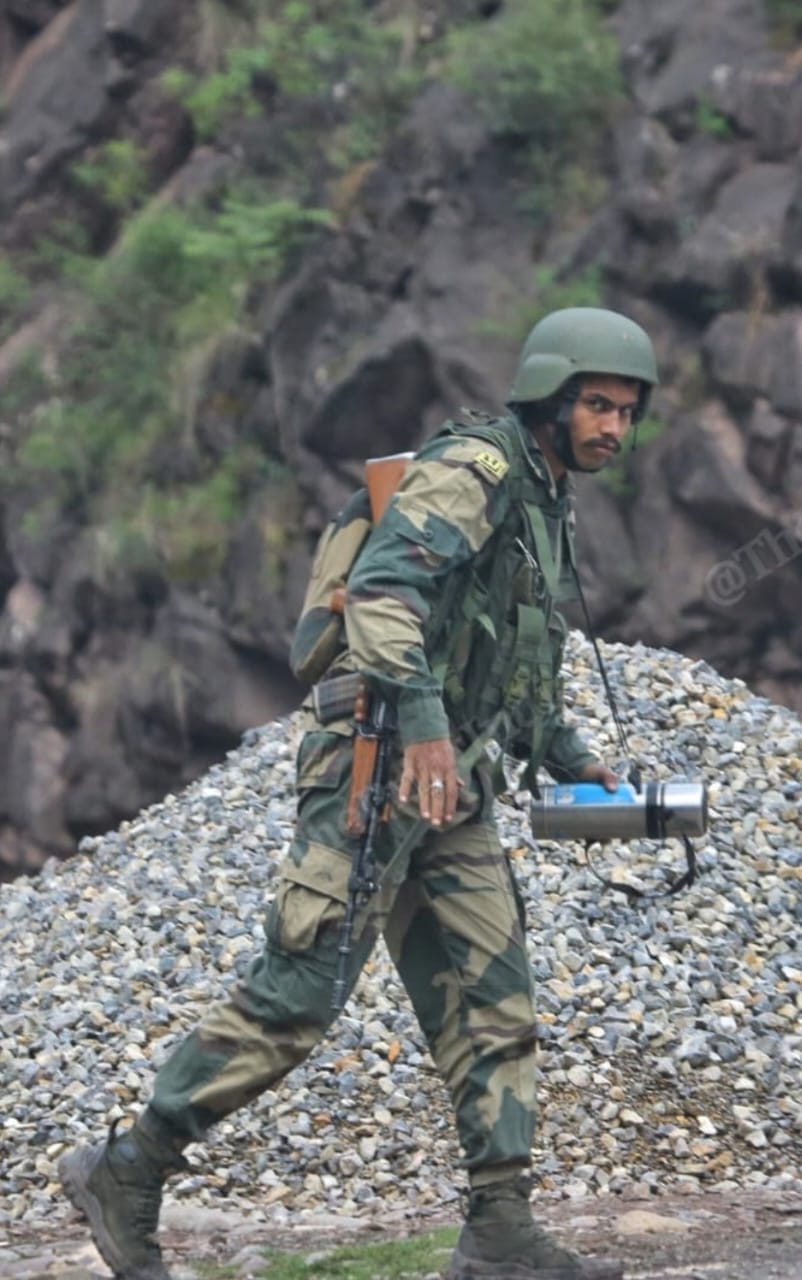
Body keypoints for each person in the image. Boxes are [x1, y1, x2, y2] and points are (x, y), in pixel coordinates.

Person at [60, 307, 659, 1280]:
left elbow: (516, 663)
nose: (613, 427)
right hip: (375, 766)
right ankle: (128, 1168)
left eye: (626, 412)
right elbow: (383, 591)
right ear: (549, 397)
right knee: (298, 994)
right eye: (596, 405)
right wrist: (420, 721)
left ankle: (500, 1229)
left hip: (452, 785)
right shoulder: (477, 470)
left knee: (494, 999)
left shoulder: (547, 499)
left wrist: (574, 760)